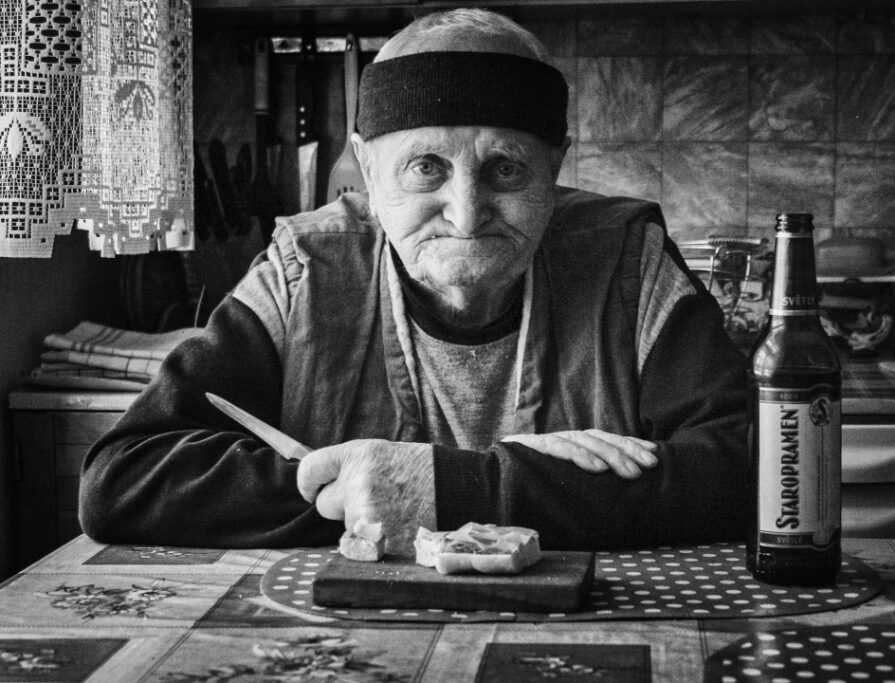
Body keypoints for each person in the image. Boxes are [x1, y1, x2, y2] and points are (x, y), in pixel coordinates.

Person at [79, 8, 749, 554]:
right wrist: (384, 492)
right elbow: (123, 478)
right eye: (427, 167)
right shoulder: (304, 268)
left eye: (506, 169)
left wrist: (447, 489)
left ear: (554, 168)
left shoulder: (627, 259)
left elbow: (756, 467)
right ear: (368, 173)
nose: (467, 213)